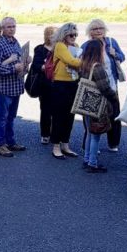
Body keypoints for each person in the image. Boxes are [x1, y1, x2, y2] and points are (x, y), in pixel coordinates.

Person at [82, 19, 126, 151]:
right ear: (90, 32)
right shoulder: (86, 45)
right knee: (94, 116)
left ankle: (113, 143)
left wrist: (115, 54)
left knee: (114, 115)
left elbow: (122, 57)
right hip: (95, 87)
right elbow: (82, 64)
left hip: (112, 85)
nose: (98, 31)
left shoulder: (111, 42)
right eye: (95, 29)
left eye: (101, 28)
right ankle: (91, 145)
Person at [0, 17, 28, 158]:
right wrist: (14, 68)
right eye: (8, 27)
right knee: (1, 117)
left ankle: (10, 142)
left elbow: (18, 61)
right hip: (4, 88)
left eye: (13, 26)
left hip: (15, 86)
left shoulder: (15, 41)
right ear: (3, 28)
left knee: (11, 117)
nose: (12, 29)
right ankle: (0, 145)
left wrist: (25, 62)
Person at [79, 40, 119, 173]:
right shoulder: (97, 67)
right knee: (96, 134)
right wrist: (114, 98)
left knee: (90, 132)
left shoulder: (84, 64)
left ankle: (87, 159)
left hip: (85, 102)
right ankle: (92, 163)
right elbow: (105, 88)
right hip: (96, 104)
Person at [47, 23, 81, 159]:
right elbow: (72, 61)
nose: (73, 37)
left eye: (75, 35)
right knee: (59, 116)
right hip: (60, 85)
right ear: (64, 35)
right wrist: (86, 61)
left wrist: (80, 62)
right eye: (71, 35)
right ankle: (56, 145)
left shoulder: (75, 47)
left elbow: (76, 63)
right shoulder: (60, 46)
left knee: (70, 116)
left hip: (73, 83)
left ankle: (65, 144)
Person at [31, 26, 56, 144]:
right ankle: (45, 134)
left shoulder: (62, 48)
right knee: (45, 110)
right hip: (45, 84)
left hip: (59, 84)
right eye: (52, 35)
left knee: (58, 111)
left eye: (57, 35)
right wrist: (48, 68)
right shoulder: (40, 49)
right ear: (47, 36)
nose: (54, 38)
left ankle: (56, 134)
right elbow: (36, 65)